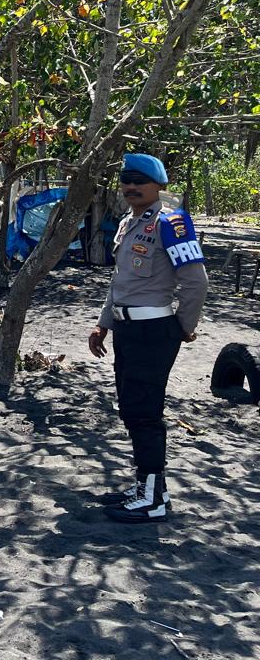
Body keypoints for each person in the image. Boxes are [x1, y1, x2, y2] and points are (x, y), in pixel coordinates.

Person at [88, 153, 208, 524]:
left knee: (144, 413)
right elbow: (120, 281)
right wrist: (103, 323)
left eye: (140, 180)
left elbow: (196, 282)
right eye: (125, 180)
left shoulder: (171, 223)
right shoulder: (129, 222)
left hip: (154, 329)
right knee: (131, 409)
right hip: (128, 328)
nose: (130, 186)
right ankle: (147, 487)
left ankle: (153, 499)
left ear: (159, 185)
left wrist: (183, 327)